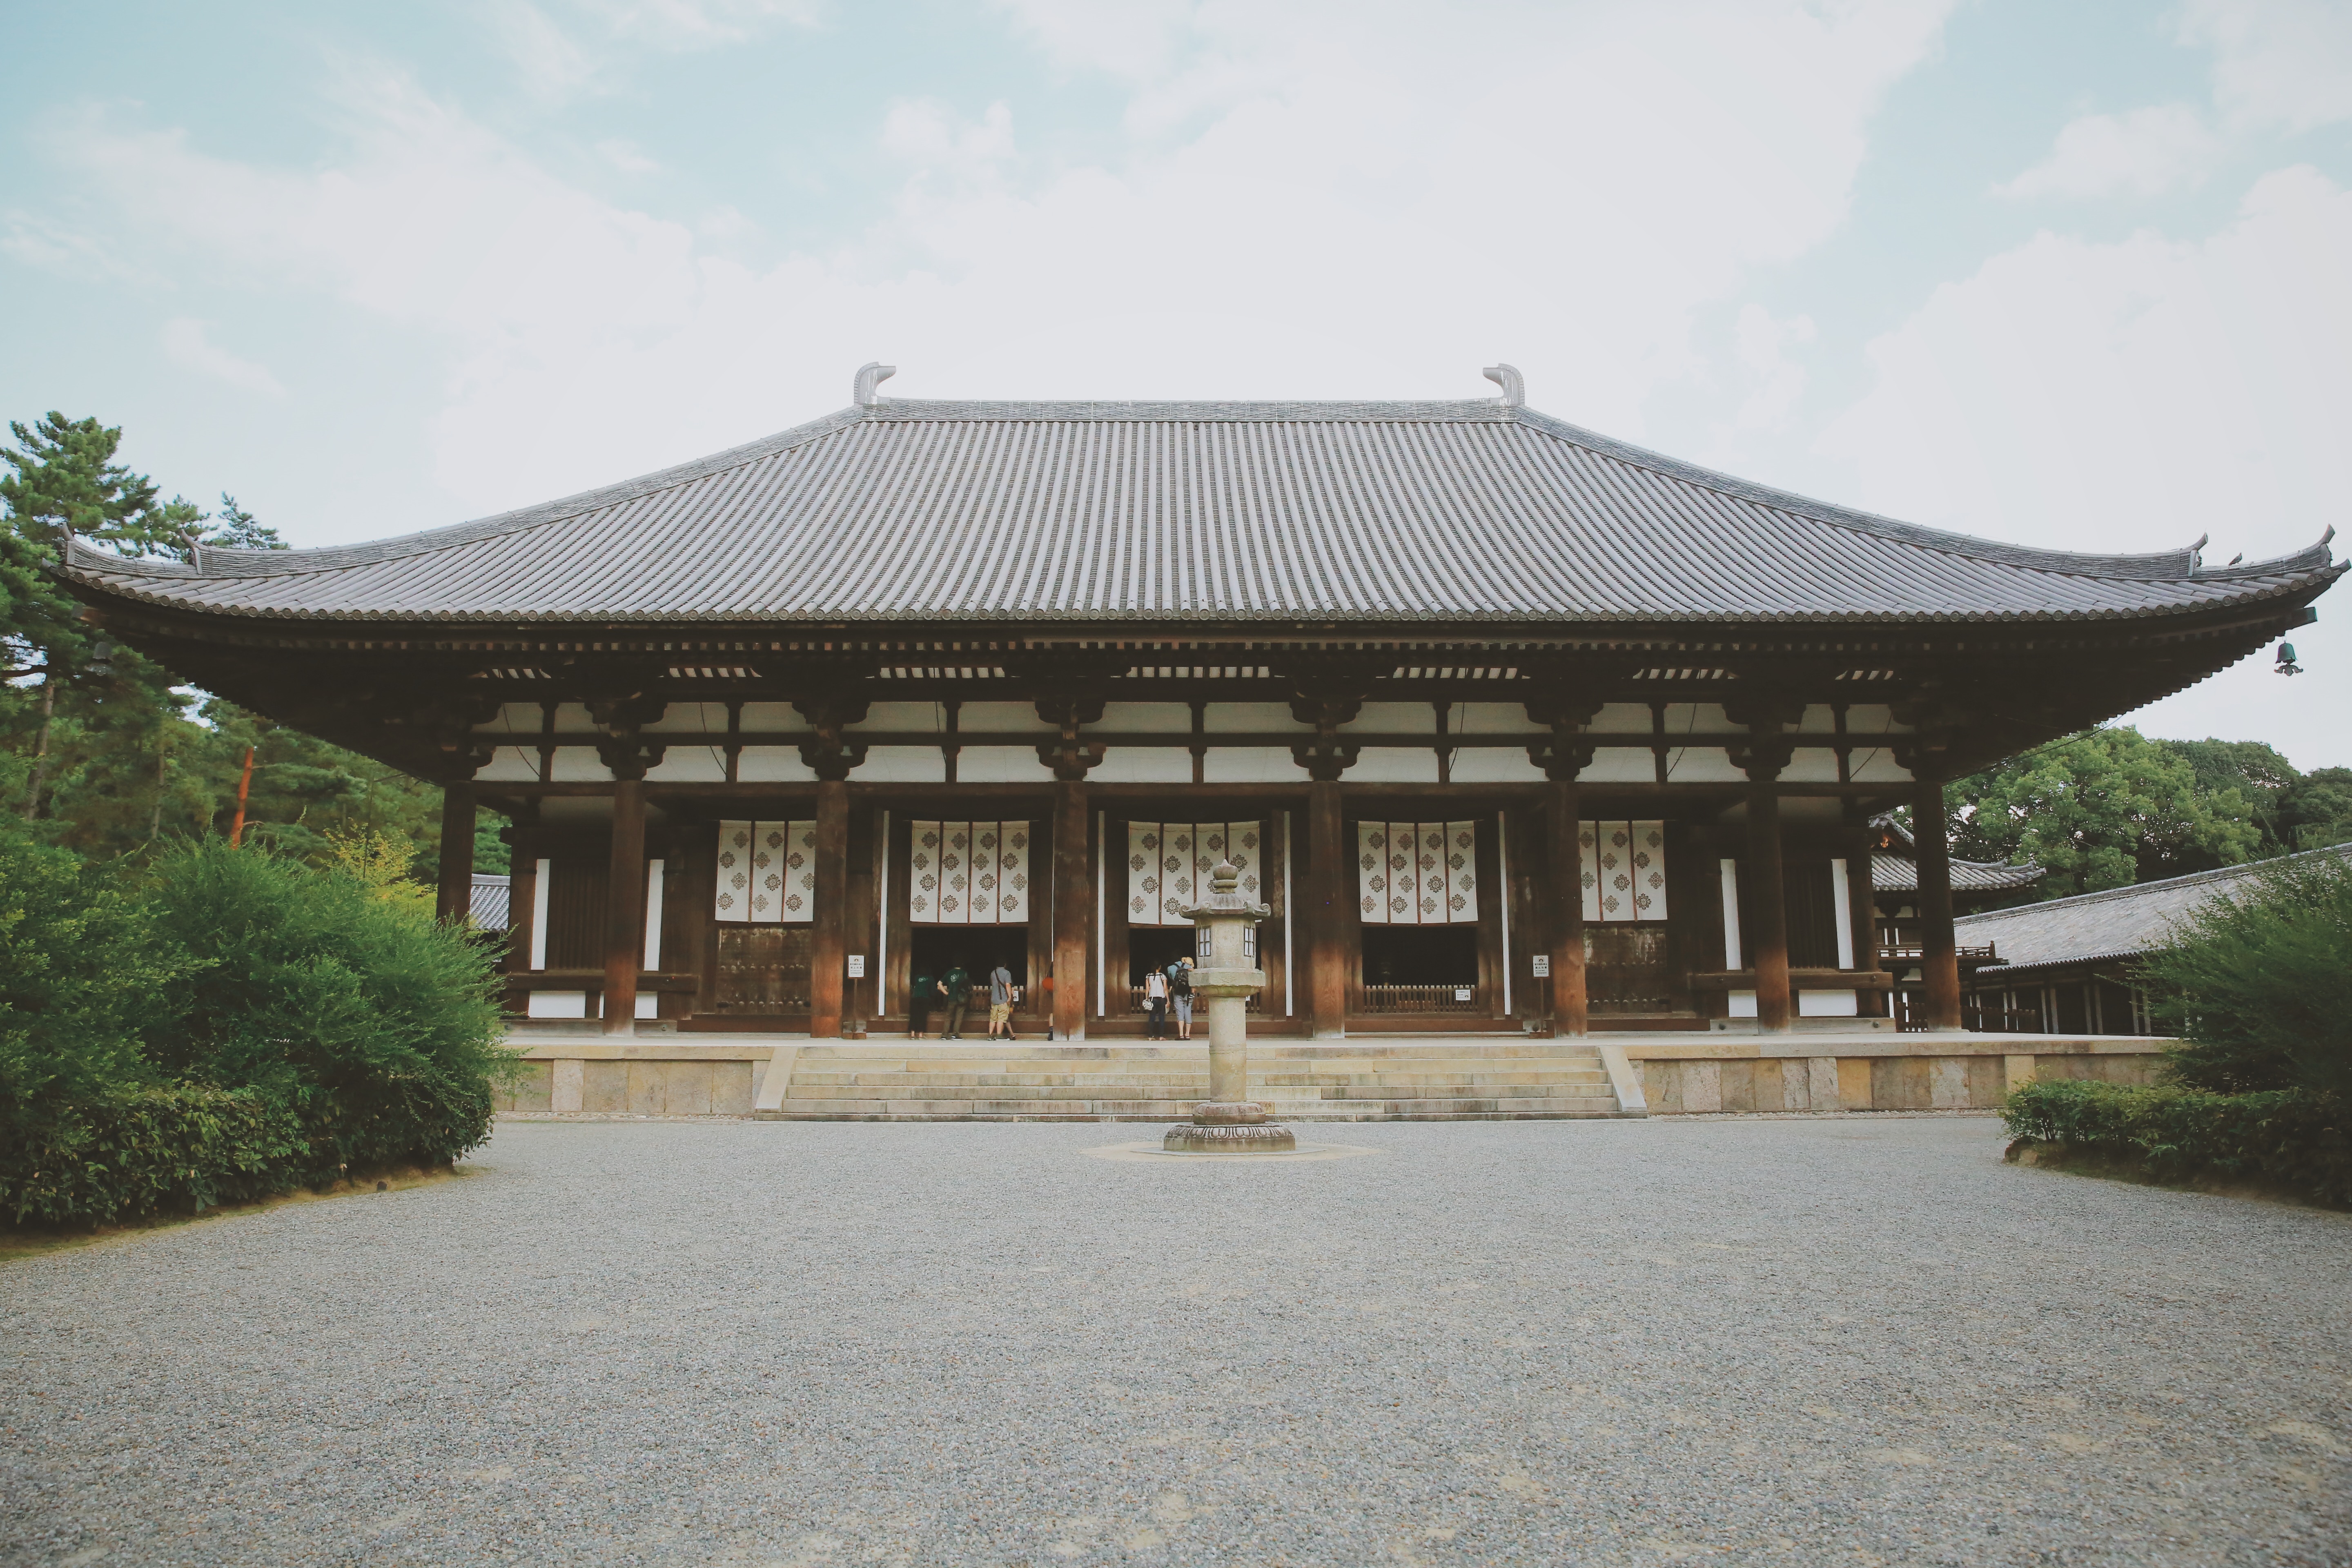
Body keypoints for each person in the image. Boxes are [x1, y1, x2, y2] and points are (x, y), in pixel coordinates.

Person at [987, 962, 1019, 1039]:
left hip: (994, 999)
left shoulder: (993, 973)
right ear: (1005, 965)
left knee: (993, 1018)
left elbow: (993, 984)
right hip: (1003, 999)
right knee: (1001, 1018)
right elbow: (1008, 985)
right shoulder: (1007, 973)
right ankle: (999, 1035)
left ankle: (990, 1035)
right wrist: (1010, 997)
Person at [941, 961, 971, 1039]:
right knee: (959, 1016)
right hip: (962, 997)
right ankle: (955, 1034)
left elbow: (939, 984)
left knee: (949, 1016)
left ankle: (944, 1035)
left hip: (952, 997)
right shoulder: (964, 973)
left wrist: (946, 993)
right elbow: (968, 985)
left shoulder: (949, 973)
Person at [1168, 956, 1195, 1041]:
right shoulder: (1190, 969)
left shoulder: (1171, 968)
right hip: (1188, 993)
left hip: (1177, 993)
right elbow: (1193, 982)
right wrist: (1193, 993)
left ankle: (1181, 1035)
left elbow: (1172, 979)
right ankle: (1187, 1034)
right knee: (1188, 1012)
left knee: (1180, 1013)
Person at [1143, 963, 1169, 1039]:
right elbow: (1165, 989)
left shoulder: (1148, 976)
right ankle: (1161, 1036)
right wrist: (1168, 1000)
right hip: (1161, 998)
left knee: (1152, 1018)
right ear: (1160, 967)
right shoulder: (1162, 976)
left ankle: (1150, 1036)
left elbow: (1148, 989)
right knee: (1162, 1017)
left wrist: (1147, 998)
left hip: (1152, 999)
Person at [908, 967, 934, 1039]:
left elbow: (913, 986)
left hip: (915, 998)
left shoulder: (917, 977)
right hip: (925, 999)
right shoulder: (930, 978)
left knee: (914, 1016)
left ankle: (913, 1035)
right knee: (923, 1016)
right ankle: (920, 1035)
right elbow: (933, 991)